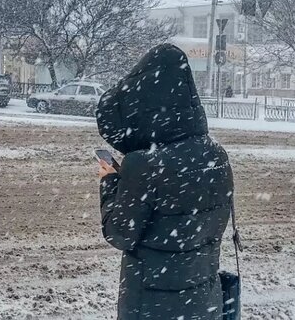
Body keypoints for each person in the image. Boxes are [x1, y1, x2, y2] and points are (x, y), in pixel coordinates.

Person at [96, 43, 235, 320]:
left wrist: (111, 181)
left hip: (151, 304)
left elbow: (119, 234)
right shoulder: (216, 153)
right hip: (203, 300)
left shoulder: (144, 163)